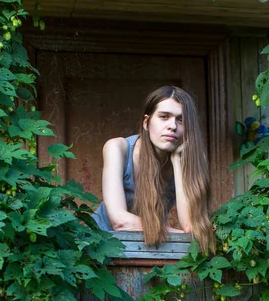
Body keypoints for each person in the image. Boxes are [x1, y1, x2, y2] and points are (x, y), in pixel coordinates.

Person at [92, 86, 215, 253]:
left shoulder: (186, 159)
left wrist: (178, 163)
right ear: (146, 122)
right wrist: (177, 235)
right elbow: (120, 221)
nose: (172, 126)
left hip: (148, 249)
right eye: (164, 117)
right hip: (99, 248)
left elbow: (190, 225)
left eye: (181, 120)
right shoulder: (118, 148)